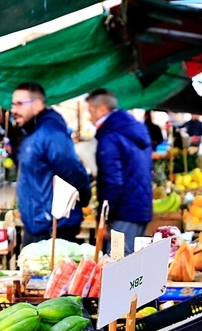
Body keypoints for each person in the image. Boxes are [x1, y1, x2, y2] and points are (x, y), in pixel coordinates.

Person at [9, 81, 91, 245]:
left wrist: (84, 197)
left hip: (53, 227)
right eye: (13, 105)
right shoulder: (31, 134)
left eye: (19, 104)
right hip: (36, 225)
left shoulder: (51, 133)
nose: (13, 110)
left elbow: (73, 171)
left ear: (38, 104)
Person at [86, 88, 153, 255]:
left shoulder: (110, 137)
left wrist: (105, 217)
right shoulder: (133, 129)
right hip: (139, 209)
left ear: (101, 109)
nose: (90, 116)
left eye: (90, 111)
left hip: (123, 212)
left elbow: (112, 181)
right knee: (129, 262)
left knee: (117, 262)